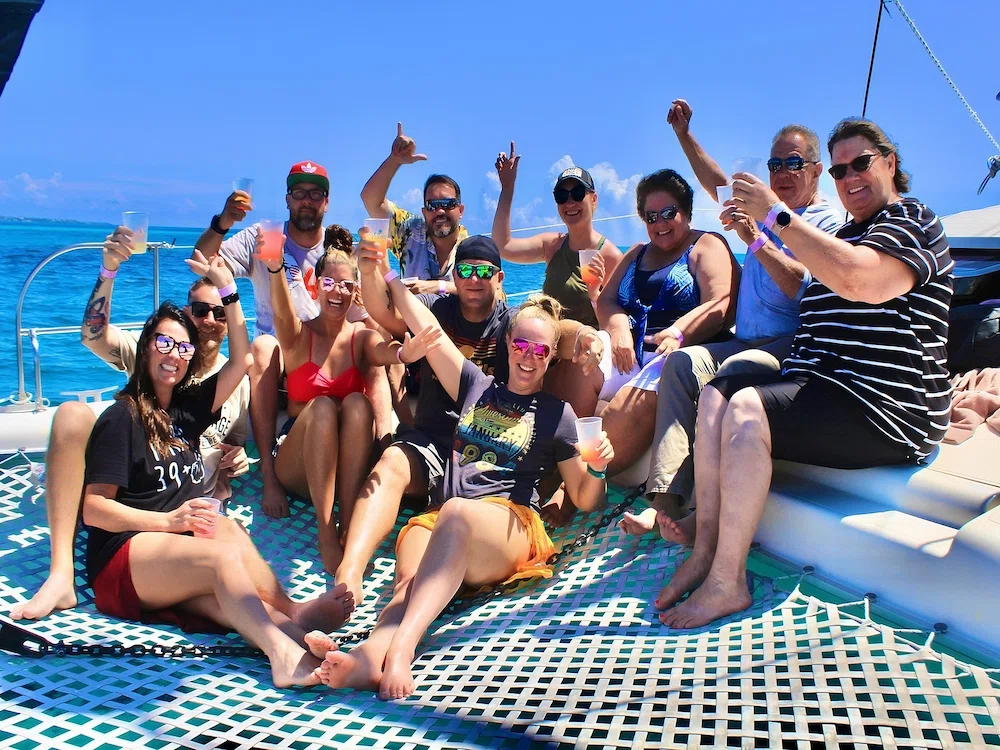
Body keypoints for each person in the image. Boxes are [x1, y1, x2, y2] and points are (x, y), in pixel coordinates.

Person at [657, 118, 953, 629]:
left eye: (860, 163)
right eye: (840, 170)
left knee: (748, 407)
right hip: (828, 387)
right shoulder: (843, 234)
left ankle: (729, 583)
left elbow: (861, 281)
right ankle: (704, 550)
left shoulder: (912, 220)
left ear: (890, 163)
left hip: (887, 409)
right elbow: (809, 291)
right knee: (715, 394)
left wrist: (774, 216)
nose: (850, 177)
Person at [314, 290, 614, 699]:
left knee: (455, 512)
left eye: (540, 350)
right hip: (444, 521)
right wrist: (389, 279)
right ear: (509, 344)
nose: (529, 357)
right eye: (522, 345)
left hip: (508, 522)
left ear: (549, 357)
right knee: (409, 583)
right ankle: (368, 659)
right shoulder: (476, 383)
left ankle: (403, 648)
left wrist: (596, 466)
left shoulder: (556, 413)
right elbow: (429, 330)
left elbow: (585, 496)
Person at [80, 252, 354, 688]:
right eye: (164, 343)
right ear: (147, 344)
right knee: (218, 556)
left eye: (183, 347)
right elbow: (94, 510)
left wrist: (229, 289)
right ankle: (282, 655)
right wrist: (168, 521)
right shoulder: (123, 417)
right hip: (123, 558)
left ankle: (294, 623)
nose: (174, 354)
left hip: (171, 545)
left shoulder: (187, 410)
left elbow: (243, 357)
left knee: (224, 542)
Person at [618, 101, 843, 544]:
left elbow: (800, 285)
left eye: (793, 163)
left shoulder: (823, 222)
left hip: (792, 342)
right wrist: (684, 135)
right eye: (775, 163)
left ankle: (701, 517)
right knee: (682, 364)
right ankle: (664, 503)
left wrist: (756, 240)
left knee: (728, 378)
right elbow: (715, 181)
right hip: (748, 339)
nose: (781, 171)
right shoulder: (764, 208)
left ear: (816, 171)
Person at [336, 236, 604, 603]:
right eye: (465, 270)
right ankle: (350, 573)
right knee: (395, 465)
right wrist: (378, 272)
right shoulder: (460, 352)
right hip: (437, 447)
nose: (474, 278)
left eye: (484, 271)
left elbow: (553, 327)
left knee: (459, 515)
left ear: (499, 278)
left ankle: (402, 634)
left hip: (491, 490)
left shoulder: (515, 329)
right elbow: (399, 316)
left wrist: (589, 335)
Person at [10, 226, 250, 622]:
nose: (209, 319)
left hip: (187, 506)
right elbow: (93, 334)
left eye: (219, 312)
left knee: (231, 588)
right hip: (136, 495)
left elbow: (242, 393)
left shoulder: (229, 385)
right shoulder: (154, 359)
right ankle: (60, 574)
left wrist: (238, 457)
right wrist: (108, 271)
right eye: (200, 310)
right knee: (71, 414)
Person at [196, 163, 394, 519]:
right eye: (299, 193)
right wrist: (223, 221)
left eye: (315, 194)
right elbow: (202, 261)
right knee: (264, 347)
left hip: (328, 354)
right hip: (282, 361)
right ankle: (270, 475)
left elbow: (361, 309)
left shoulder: (338, 249)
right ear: (287, 198)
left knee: (373, 347)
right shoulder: (261, 237)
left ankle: (384, 448)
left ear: (326, 203)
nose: (307, 201)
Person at [260, 234, 438, 576]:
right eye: (329, 282)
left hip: (345, 466)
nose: (337, 291)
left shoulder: (359, 337)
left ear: (354, 290)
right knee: (324, 407)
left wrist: (405, 353)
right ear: (315, 287)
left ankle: (348, 522)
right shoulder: (298, 335)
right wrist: (274, 269)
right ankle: (326, 531)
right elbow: (282, 311)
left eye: (345, 284)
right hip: (297, 462)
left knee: (358, 403)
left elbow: (385, 351)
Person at [597, 168, 737, 477]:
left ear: (686, 211)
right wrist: (618, 327)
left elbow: (720, 303)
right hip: (628, 352)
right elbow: (606, 300)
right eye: (651, 217)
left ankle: (575, 487)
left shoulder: (706, 246)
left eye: (668, 213)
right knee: (581, 355)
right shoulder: (636, 252)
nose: (659, 223)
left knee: (633, 397)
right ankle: (554, 458)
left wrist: (679, 333)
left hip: (672, 357)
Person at [360, 122, 469, 293]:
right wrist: (394, 161)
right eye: (432, 206)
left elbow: (492, 293)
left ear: (460, 210)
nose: (440, 211)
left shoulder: (471, 248)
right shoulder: (410, 230)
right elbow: (371, 199)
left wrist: (437, 287)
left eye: (447, 204)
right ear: (424, 212)